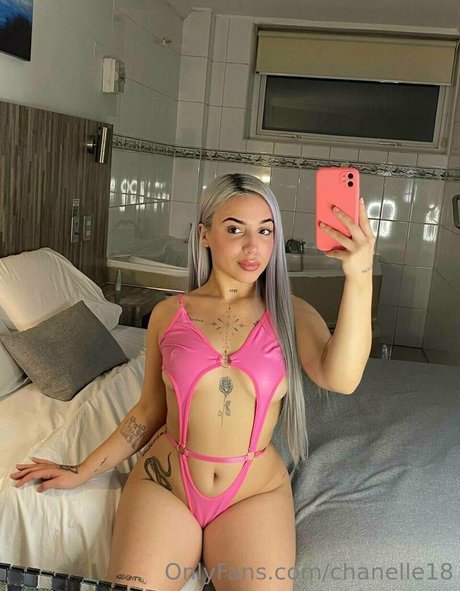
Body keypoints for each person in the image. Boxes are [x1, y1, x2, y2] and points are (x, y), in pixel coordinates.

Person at [11, 173, 375, 590]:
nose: (253, 247)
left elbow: (342, 379)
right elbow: (149, 411)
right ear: (204, 234)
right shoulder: (169, 314)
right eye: (235, 229)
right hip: (166, 485)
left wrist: (359, 276)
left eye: (265, 231)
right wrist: (82, 469)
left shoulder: (291, 313)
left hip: (252, 494)